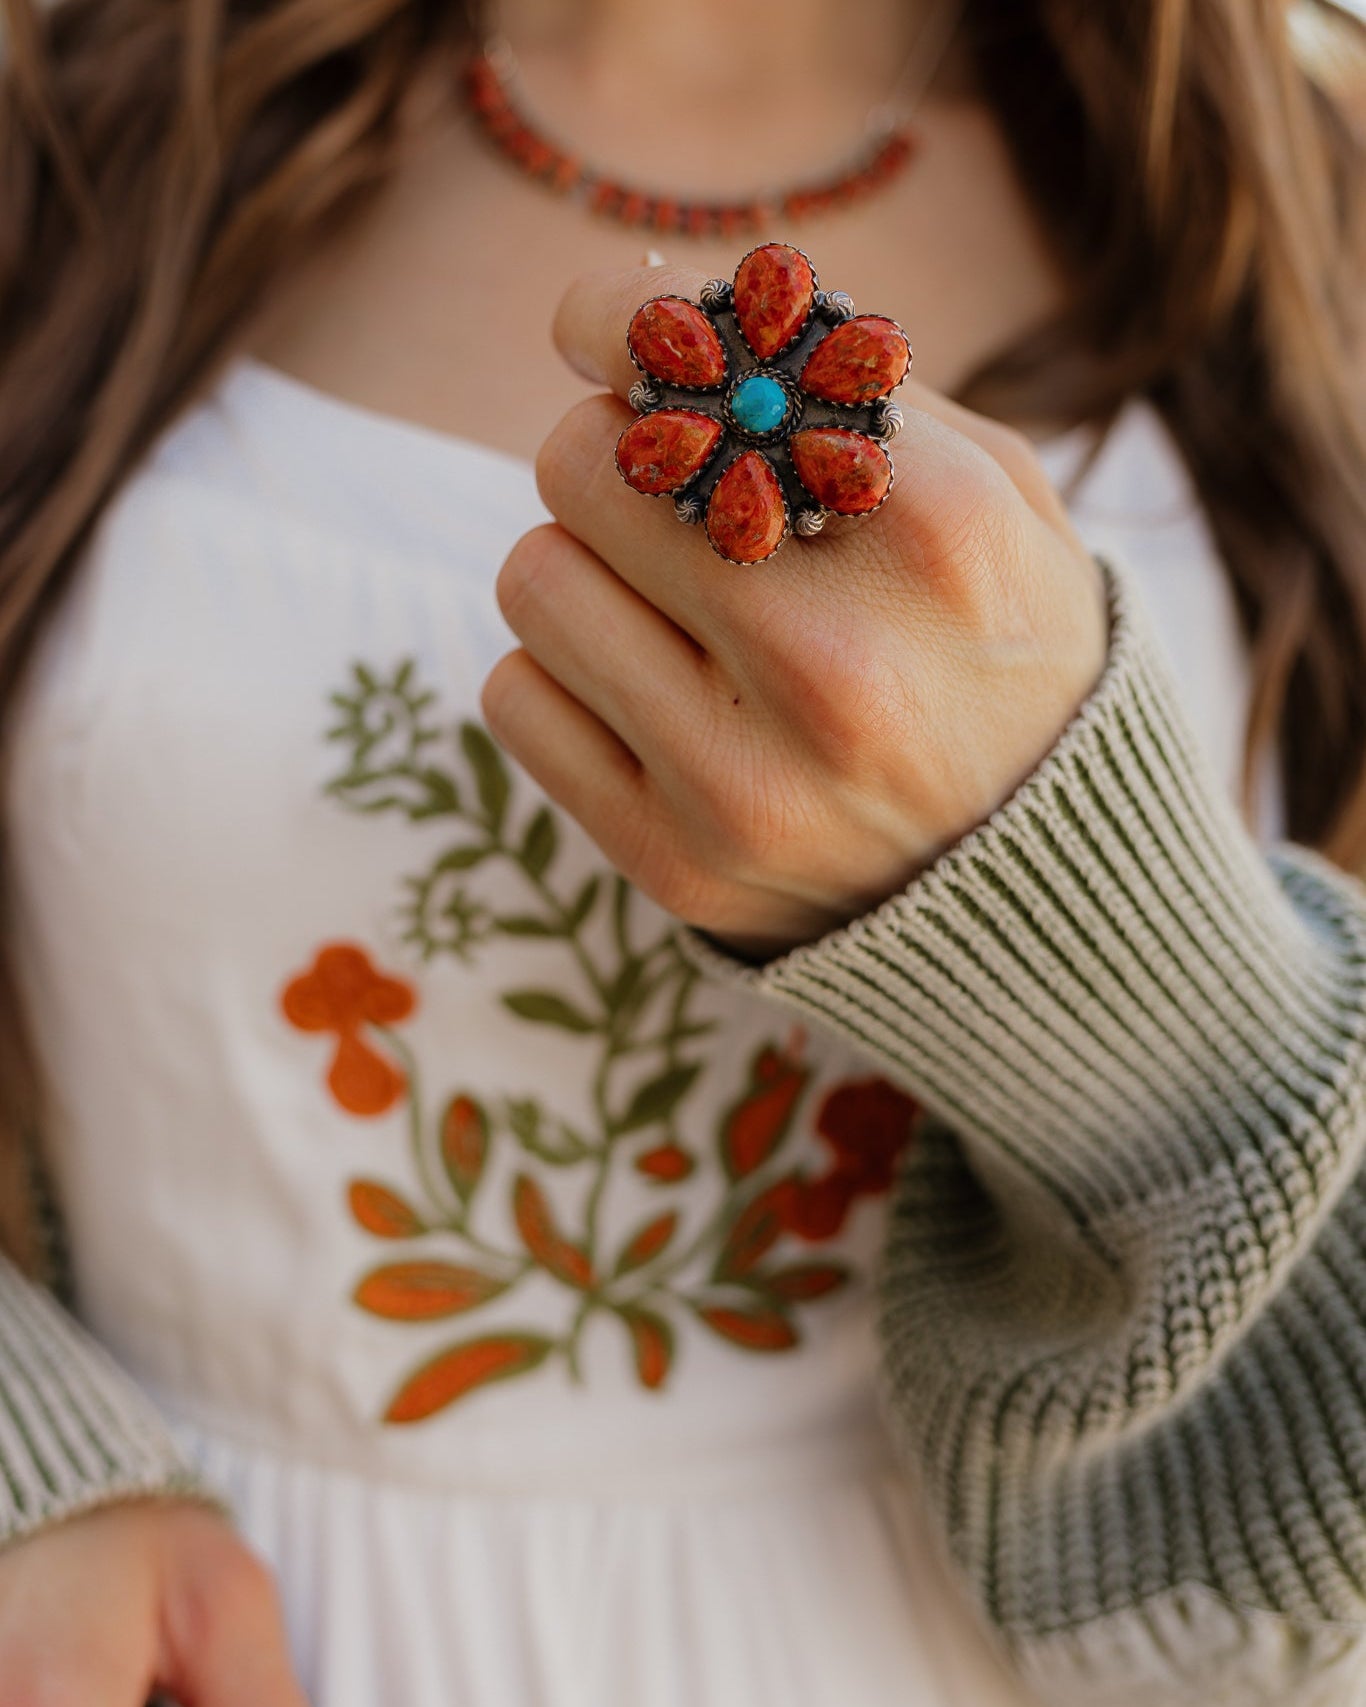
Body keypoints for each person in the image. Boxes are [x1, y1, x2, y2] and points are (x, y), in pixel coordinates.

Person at [0, 0, 1364, 1702]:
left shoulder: (1309, 200)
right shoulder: (57, 116)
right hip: (242, 1637)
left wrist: (1103, 939)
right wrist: (17, 1459)